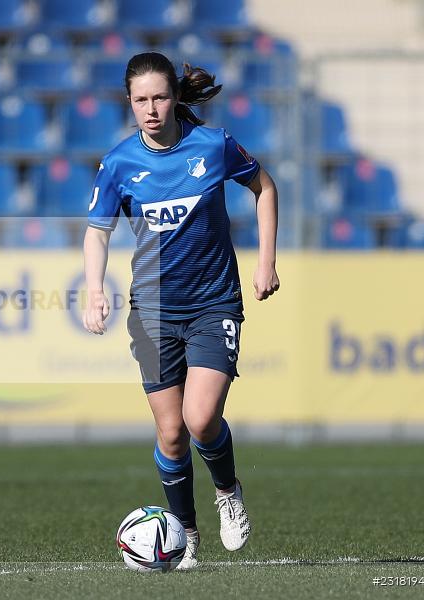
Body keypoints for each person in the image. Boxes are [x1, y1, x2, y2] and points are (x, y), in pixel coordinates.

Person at [83, 53, 280, 569]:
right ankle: (184, 535)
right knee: (170, 433)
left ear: (175, 97)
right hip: (152, 310)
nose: (151, 109)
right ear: (129, 102)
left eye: (160, 97)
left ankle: (228, 491)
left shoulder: (212, 146)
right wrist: (93, 288)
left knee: (200, 418)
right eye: (140, 100)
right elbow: (96, 231)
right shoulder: (120, 162)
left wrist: (266, 262)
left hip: (213, 302)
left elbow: (264, 188)